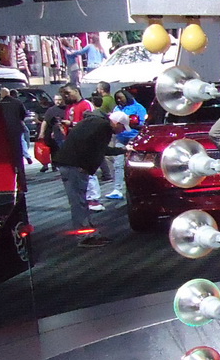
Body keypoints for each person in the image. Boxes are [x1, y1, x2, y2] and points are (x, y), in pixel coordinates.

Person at [52, 107, 128, 247]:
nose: (122, 131)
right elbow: (97, 149)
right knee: (79, 202)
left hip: (69, 163)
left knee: (80, 201)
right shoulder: (103, 127)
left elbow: (95, 147)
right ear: (117, 123)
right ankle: (84, 237)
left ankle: (88, 233)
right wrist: (85, 165)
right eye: (122, 128)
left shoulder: (94, 122)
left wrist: (122, 150)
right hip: (74, 166)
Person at [105, 89, 147, 199]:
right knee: (118, 163)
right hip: (120, 138)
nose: (119, 100)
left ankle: (138, 188)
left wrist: (133, 124)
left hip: (134, 137)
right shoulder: (117, 108)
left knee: (135, 164)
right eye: (117, 98)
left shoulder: (139, 108)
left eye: (121, 98)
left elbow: (143, 124)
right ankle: (117, 189)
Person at [38, 92, 67, 172]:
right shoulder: (51, 110)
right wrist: (42, 133)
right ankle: (56, 165)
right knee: (57, 150)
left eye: (60, 100)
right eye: (56, 100)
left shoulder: (67, 108)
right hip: (57, 135)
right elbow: (45, 121)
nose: (58, 102)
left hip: (67, 134)